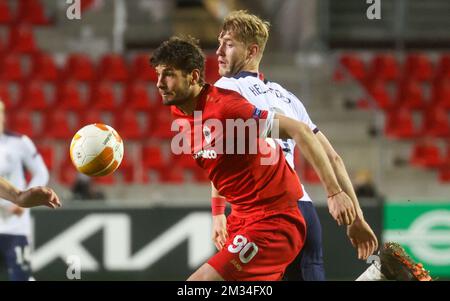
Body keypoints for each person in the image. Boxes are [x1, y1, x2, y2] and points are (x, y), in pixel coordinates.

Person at [211, 10, 431, 281]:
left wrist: (218, 212)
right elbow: (333, 158)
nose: (218, 51)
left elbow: (221, 158)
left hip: (262, 214)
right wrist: (357, 218)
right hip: (303, 212)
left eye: (229, 44)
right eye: (220, 42)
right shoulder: (288, 98)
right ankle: (376, 276)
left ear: (251, 50)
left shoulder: (224, 89)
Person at [150, 36, 356, 280]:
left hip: (274, 219)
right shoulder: (181, 113)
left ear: (193, 77)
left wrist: (334, 192)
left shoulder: (228, 107)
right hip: (242, 218)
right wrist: (218, 213)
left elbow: (299, 131)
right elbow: (220, 164)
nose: (160, 83)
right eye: (158, 74)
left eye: (169, 74)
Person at [0, 100, 53, 281]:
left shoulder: (19, 143)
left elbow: (41, 172)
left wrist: (24, 203)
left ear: (3, 116)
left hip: (15, 223)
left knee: (20, 276)